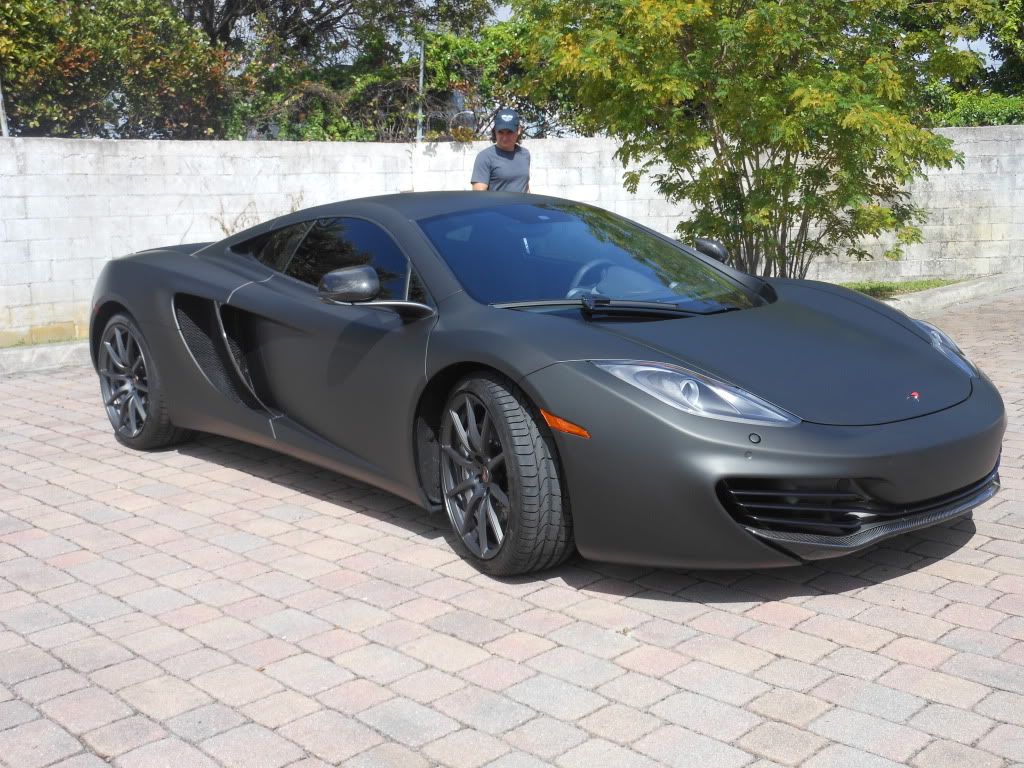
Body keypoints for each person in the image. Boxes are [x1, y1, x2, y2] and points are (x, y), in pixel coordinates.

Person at [471, 108, 530, 192]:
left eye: (509, 132)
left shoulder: (525, 154)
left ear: (519, 130)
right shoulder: (485, 157)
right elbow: (479, 194)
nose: (505, 138)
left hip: (522, 201)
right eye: (500, 132)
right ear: (495, 131)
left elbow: (524, 186)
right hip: (496, 202)